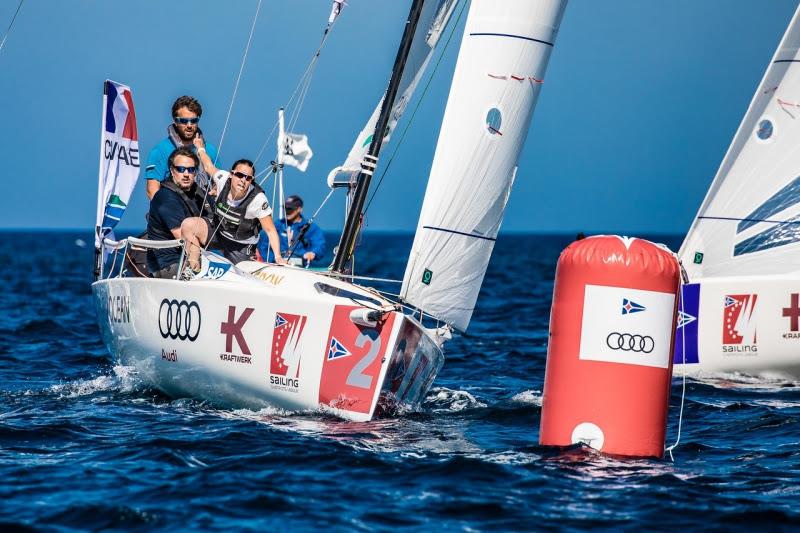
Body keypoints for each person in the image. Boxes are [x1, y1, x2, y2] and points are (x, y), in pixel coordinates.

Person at [179, 136, 285, 273]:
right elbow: (208, 166)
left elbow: (270, 230)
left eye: (248, 178)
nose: (243, 181)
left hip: (240, 245)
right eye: (239, 175)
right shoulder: (222, 179)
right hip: (219, 233)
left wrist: (278, 257)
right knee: (189, 225)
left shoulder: (258, 200)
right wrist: (200, 147)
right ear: (231, 175)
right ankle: (193, 271)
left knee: (246, 279)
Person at [146, 147, 212, 278]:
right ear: (172, 170)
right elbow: (184, 236)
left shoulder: (200, 194)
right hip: (169, 264)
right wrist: (200, 273)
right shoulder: (165, 197)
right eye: (181, 169)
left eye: (191, 170)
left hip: (198, 257)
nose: (186, 174)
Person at [144, 96, 218, 200]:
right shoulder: (160, 150)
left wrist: (215, 190)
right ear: (175, 121)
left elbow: (217, 180)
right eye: (183, 121)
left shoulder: (209, 150)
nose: (189, 125)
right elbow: (152, 191)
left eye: (194, 121)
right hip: (173, 210)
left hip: (205, 211)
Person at [258, 195, 326, 266]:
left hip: (301, 267)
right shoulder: (277, 225)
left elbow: (319, 245)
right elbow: (264, 247)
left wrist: (313, 253)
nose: (287, 211)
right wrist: (274, 259)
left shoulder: (310, 227)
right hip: (278, 265)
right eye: (285, 208)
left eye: (290, 209)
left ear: (299, 209)